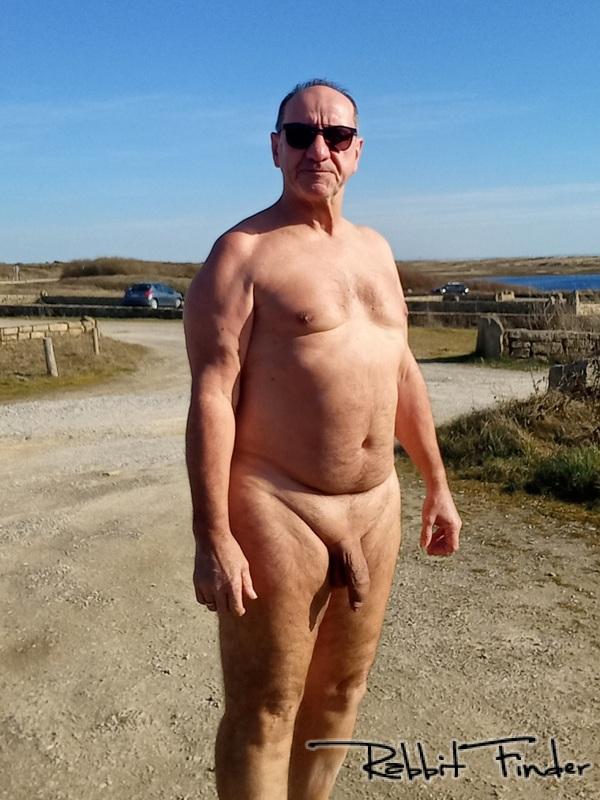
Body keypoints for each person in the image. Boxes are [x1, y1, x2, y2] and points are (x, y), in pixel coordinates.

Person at [184, 79, 461, 800]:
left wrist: (436, 483)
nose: (319, 149)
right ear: (276, 148)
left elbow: (401, 371)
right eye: (301, 134)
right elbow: (212, 395)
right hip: (279, 504)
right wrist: (212, 533)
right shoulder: (241, 255)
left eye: (335, 135)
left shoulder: (377, 251)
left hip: (375, 506)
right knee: (266, 708)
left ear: (357, 151)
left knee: (341, 694)